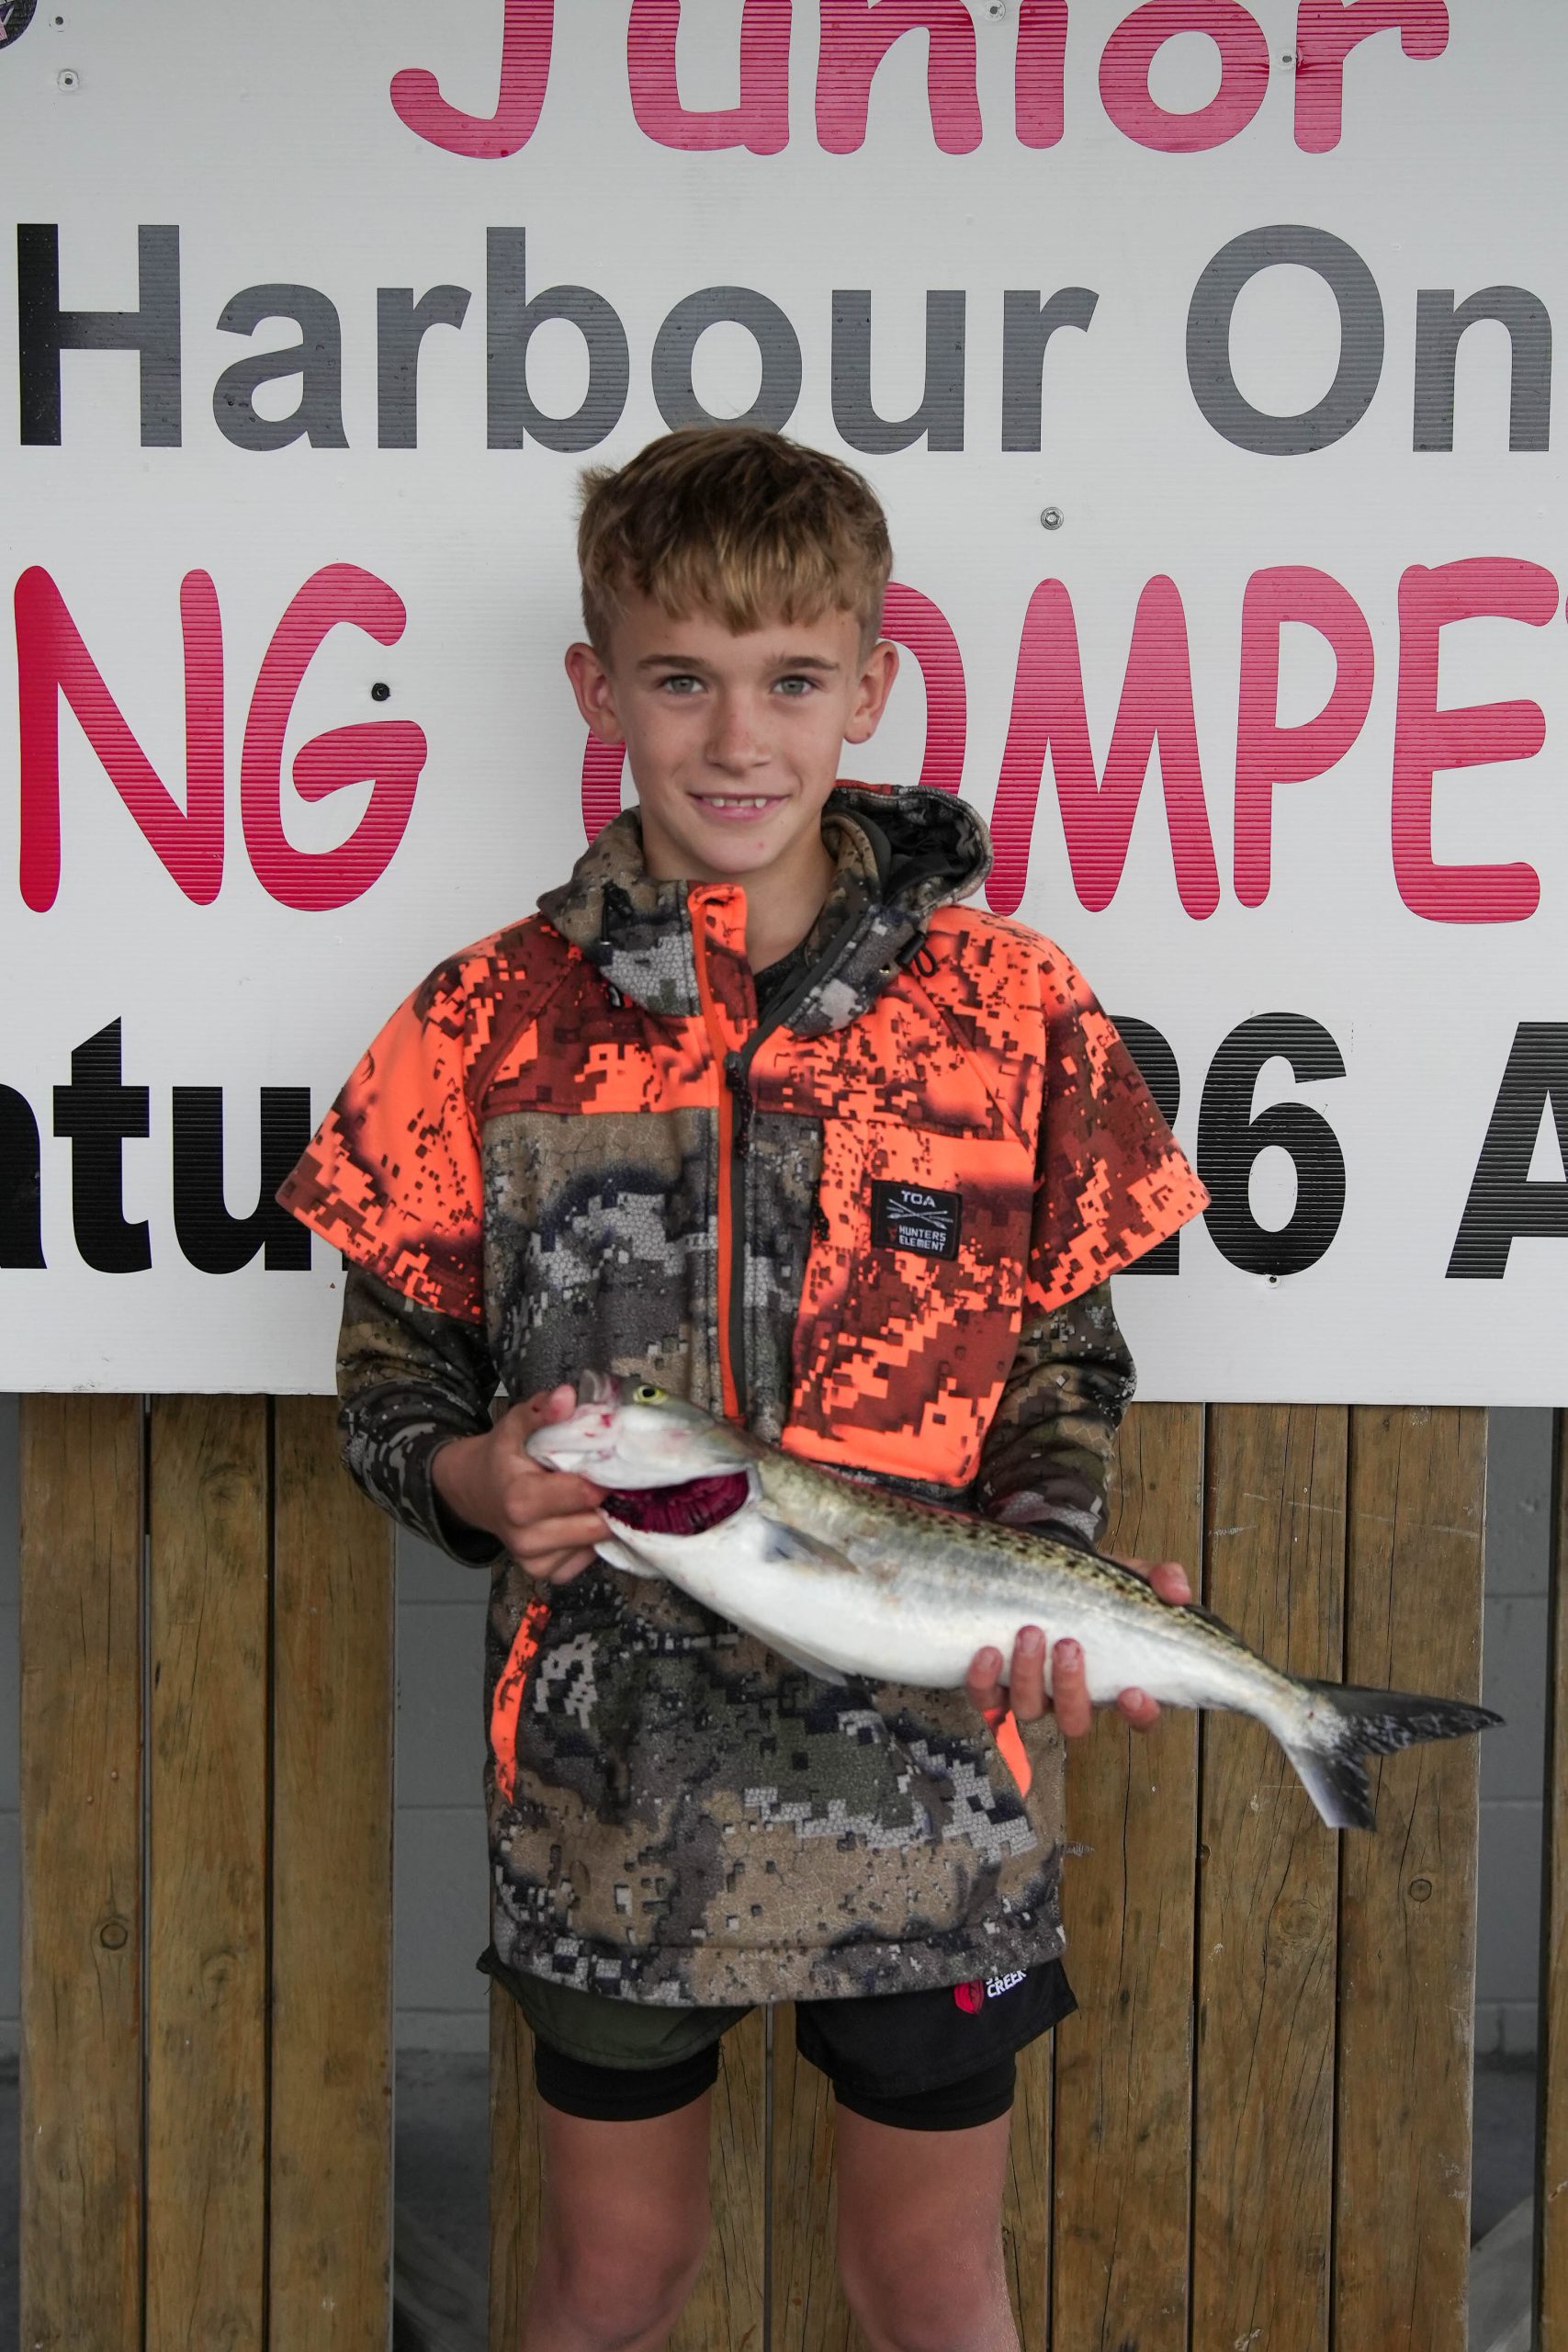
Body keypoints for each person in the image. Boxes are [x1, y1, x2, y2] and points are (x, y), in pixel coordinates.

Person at [278, 424, 1208, 2352]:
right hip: (608, 1792)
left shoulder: (1015, 1009)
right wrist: (468, 1478)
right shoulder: (480, 1019)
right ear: (596, 686)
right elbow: (387, 1377)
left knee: (930, 2284)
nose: (735, 738)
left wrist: (1049, 1561)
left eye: (790, 680)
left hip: (937, 1779)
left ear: (867, 687)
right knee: (612, 2275)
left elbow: (1067, 1352)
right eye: (681, 677)